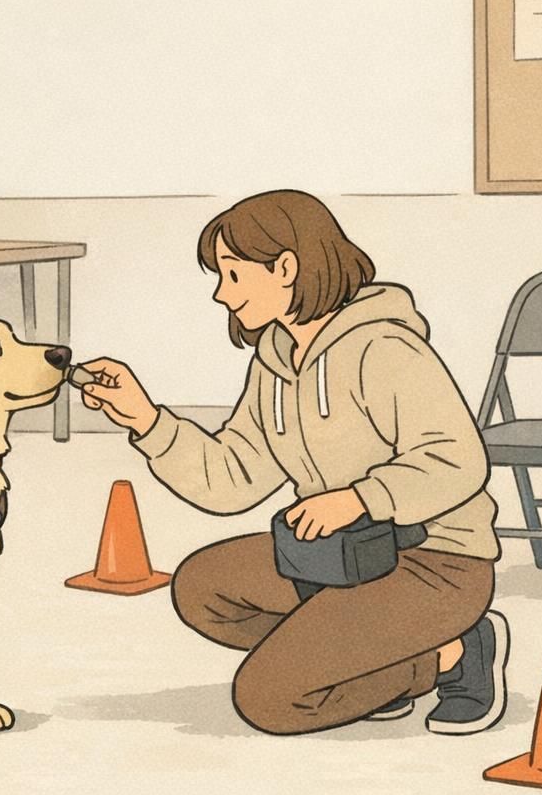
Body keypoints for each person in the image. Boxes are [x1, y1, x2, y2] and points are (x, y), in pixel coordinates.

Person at [79, 189, 508, 735]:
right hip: (335, 562)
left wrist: (359, 499)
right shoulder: (276, 362)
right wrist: (146, 419)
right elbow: (232, 478)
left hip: (433, 563)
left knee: (268, 699)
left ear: (285, 267)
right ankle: (372, 661)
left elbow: (459, 459)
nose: (219, 294)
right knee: (200, 588)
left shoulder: (385, 348)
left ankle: (451, 654)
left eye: (232, 275)